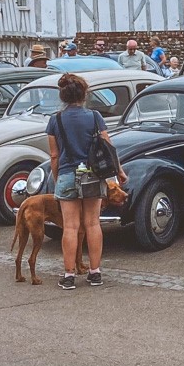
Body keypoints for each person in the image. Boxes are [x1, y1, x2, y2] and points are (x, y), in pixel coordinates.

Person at [46, 72, 125, 290]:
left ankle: (69, 275)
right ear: (84, 95)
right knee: (92, 224)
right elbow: (108, 147)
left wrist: (58, 178)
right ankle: (95, 273)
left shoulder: (55, 120)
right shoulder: (94, 117)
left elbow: (54, 156)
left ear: (63, 96)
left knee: (70, 227)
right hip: (93, 175)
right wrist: (118, 171)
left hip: (67, 173)